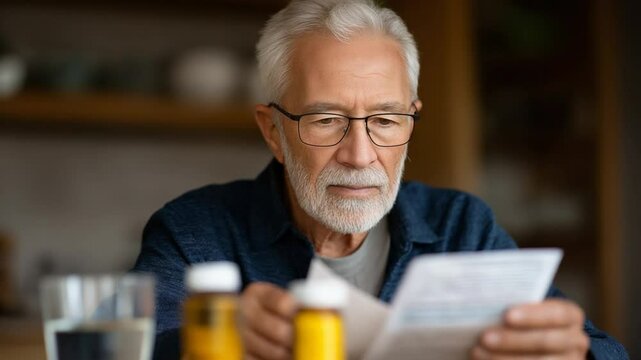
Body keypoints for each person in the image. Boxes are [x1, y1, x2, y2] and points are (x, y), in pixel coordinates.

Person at [133, 0, 628, 359]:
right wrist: (209, 341)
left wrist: (571, 351)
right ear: (273, 131)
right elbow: (128, 347)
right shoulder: (194, 233)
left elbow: (603, 350)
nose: (360, 154)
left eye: (387, 121)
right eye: (326, 120)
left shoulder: (461, 227)